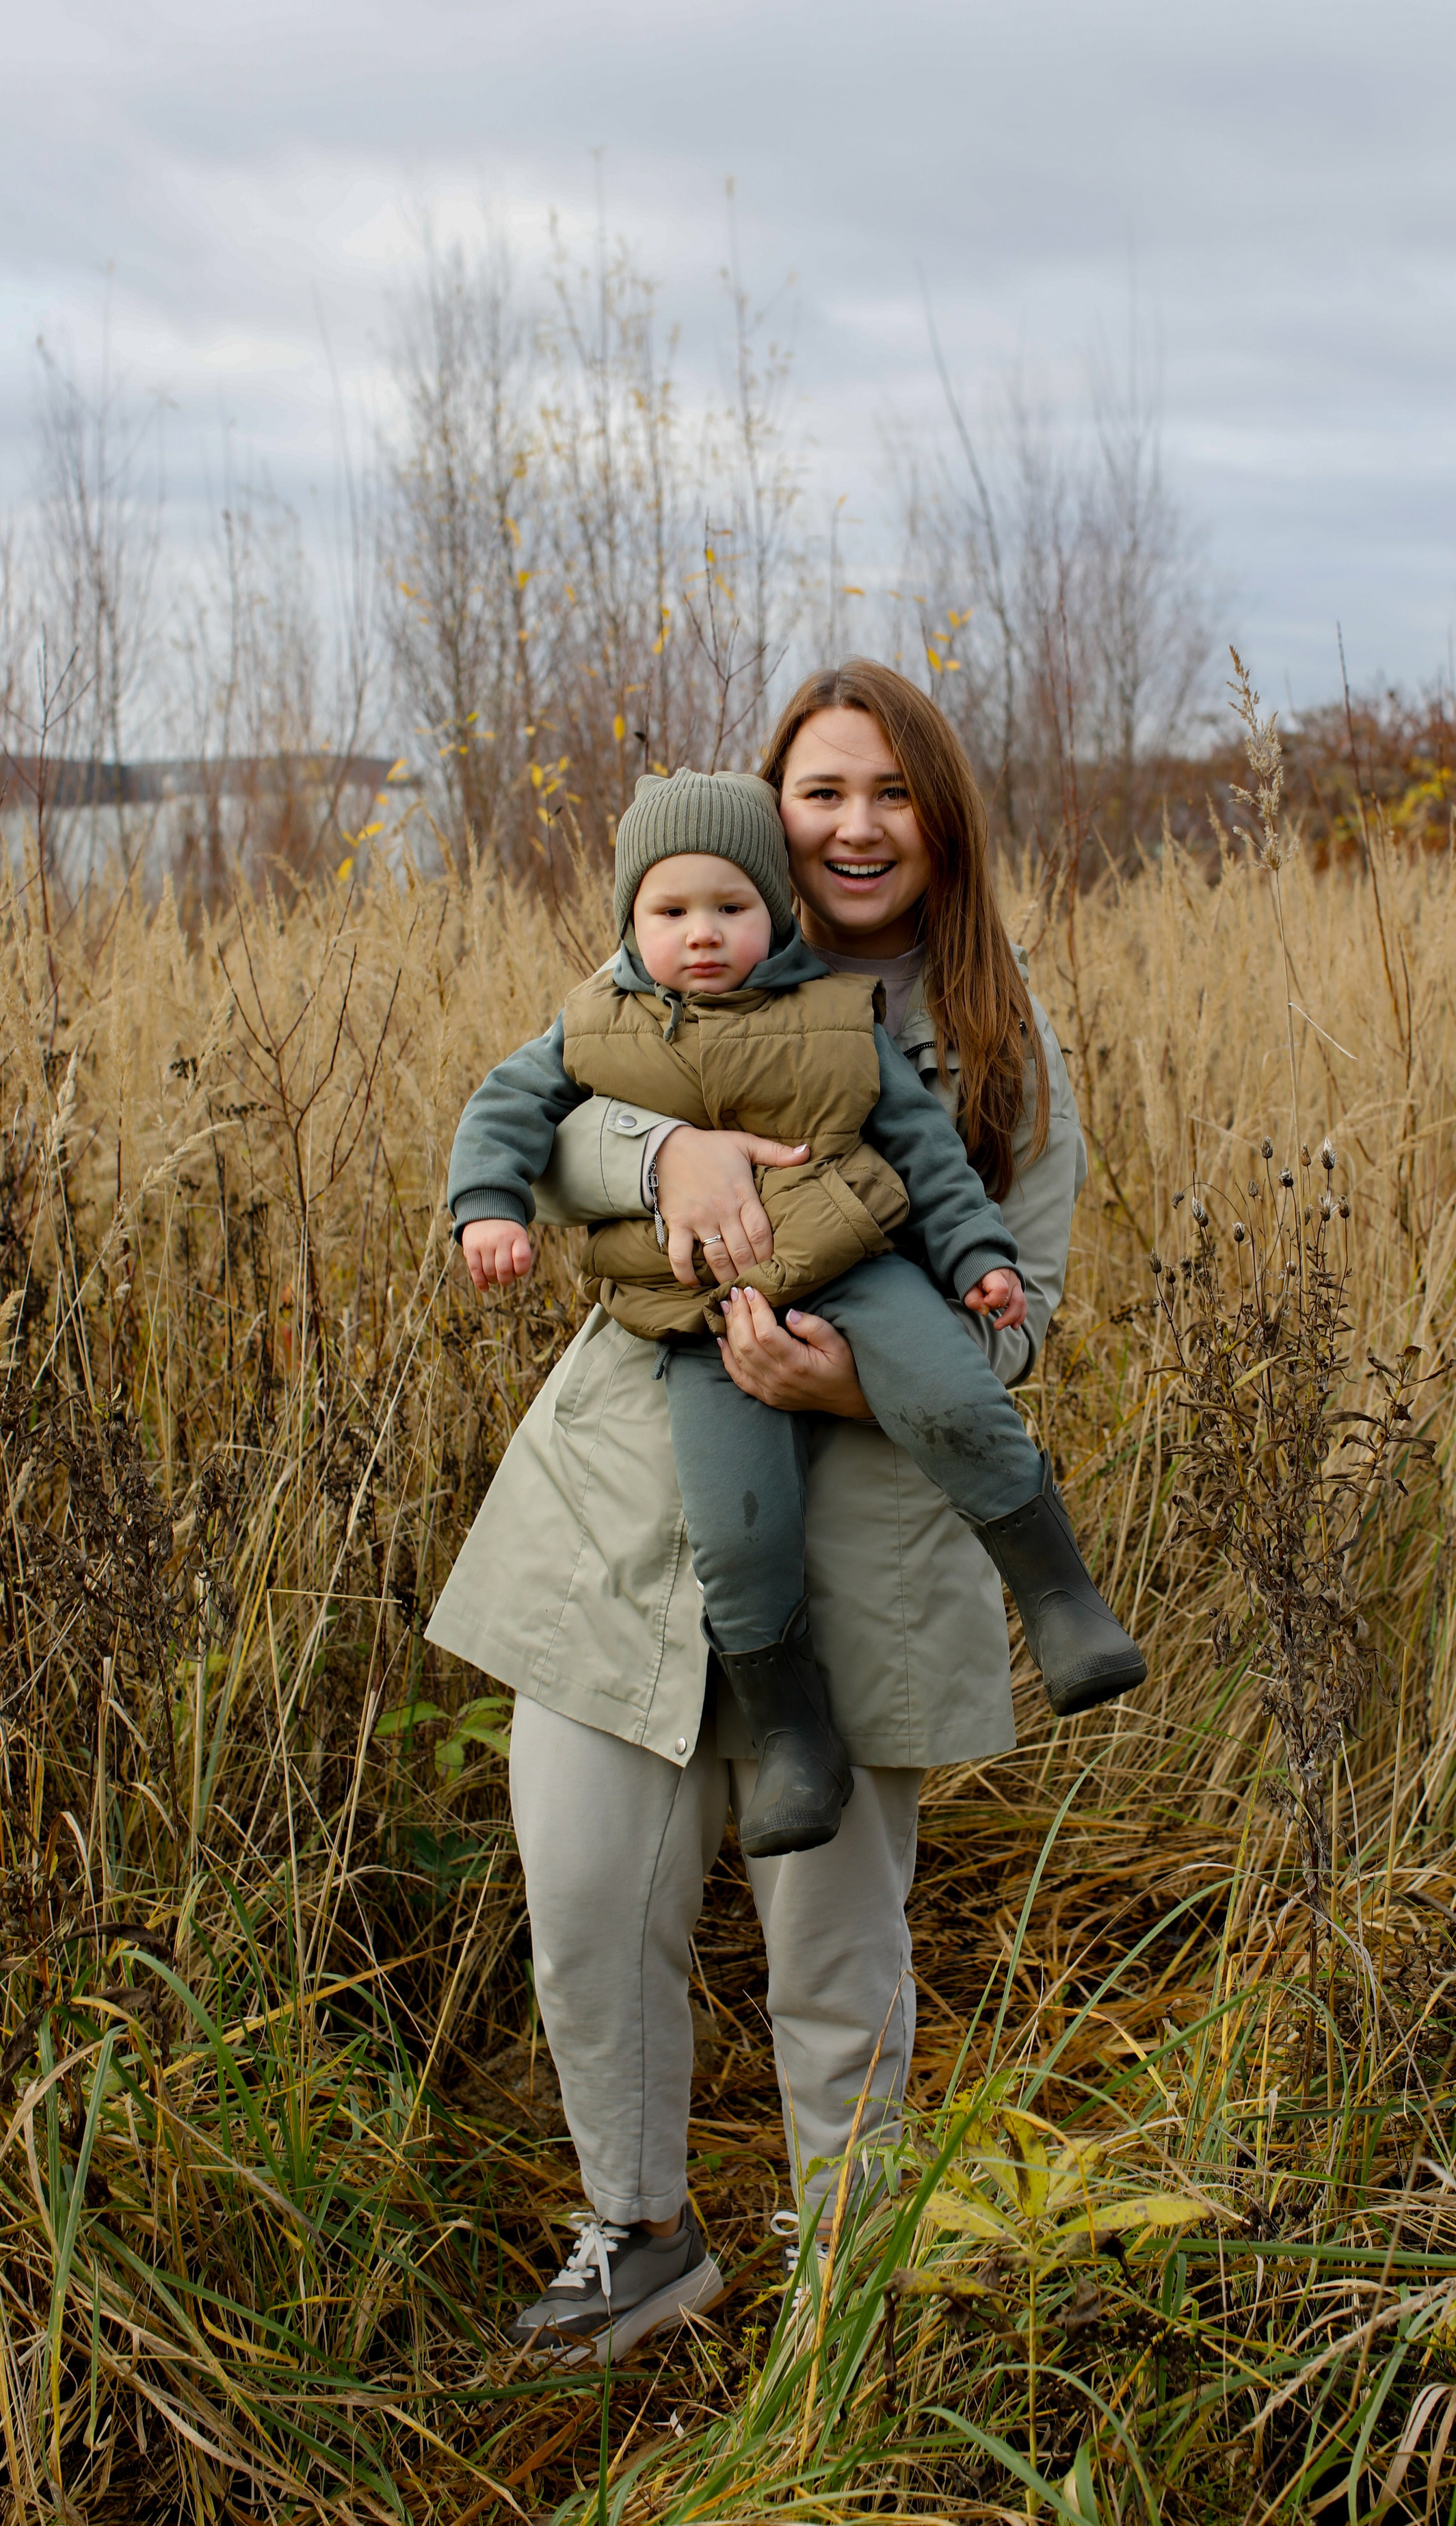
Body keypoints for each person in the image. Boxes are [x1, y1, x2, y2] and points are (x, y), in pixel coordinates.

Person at [425, 661, 1109, 2365]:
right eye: (822, 792)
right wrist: (669, 1161)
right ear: (768, 813)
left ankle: (849, 2288)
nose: (855, 826)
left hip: (863, 1546)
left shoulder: (999, 1043)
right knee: (587, 1906)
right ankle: (637, 2238)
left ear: (940, 823)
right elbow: (540, 1144)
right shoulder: (668, 950)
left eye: (890, 794)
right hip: (616, 1528)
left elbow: (1022, 1325)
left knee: (834, 1953)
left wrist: (851, 1383)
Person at [447, 765, 1143, 1860]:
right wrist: (506, 1203)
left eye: (729, 908)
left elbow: (925, 1151)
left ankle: (1061, 1598)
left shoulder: (839, 1013)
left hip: (860, 1271)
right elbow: (513, 1111)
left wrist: (977, 1262)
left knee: (958, 1396)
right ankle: (793, 1734)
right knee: (738, 1525)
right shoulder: (605, 1014)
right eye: (670, 913)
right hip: (704, 1324)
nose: (702, 933)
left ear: (771, 903)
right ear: (633, 918)